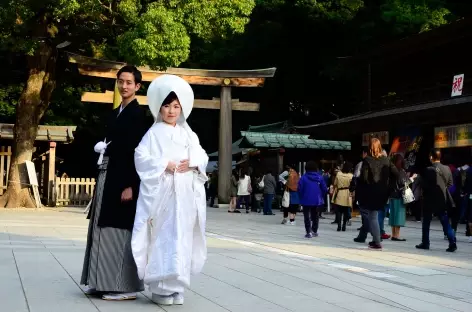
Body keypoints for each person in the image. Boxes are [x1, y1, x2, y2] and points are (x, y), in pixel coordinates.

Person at [131, 75, 208, 306]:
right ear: (159, 108)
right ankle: (161, 286)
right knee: (163, 234)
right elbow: (140, 156)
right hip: (163, 190)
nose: (172, 111)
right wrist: (165, 163)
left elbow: (202, 155)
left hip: (184, 192)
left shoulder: (188, 133)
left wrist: (193, 162)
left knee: (182, 234)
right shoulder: (153, 133)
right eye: (167, 106)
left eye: (176, 106)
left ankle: (178, 284)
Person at [81, 65, 148, 300]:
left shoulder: (138, 115)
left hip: (124, 177)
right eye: (121, 81)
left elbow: (137, 152)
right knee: (100, 225)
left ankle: (124, 285)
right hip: (108, 174)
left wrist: (131, 184)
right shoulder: (116, 112)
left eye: (129, 82)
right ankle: (100, 281)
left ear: (138, 86)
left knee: (118, 229)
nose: (124, 86)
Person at [354, 138, 399, 250]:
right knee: (375, 215)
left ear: (370, 147)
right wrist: (390, 186)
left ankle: (377, 242)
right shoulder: (386, 160)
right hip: (383, 192)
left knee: (372, 216)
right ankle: (375, 240)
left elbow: (363, 178)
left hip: (370, 191)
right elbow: (396, 173)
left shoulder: (367, 160)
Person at [416, 149, 457, 252]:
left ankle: (426, 242)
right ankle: (452, 242)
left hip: (429, 199)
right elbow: (450, 184)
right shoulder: (447, 168)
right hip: (441, 199)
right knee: (445, 221)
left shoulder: (428, 170)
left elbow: (424, 185)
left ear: (431, 157)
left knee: (426, 222)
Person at [298, 161, 328, 238]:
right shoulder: (320, 177)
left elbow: (300, 189)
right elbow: (324, 189)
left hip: (306, 200)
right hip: (317, 200)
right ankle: (314, 231)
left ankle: (308, 232)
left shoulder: (303, 178)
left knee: (307, 216)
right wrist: (321, 196)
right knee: (316, 216)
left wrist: (301, 198)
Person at [388, 154, 409, 241]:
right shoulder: (401, 171)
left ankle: (393, 234)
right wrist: (412, 178)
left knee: (392, 215)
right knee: (398, 214)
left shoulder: (391, 171)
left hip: (391, 195)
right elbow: (404, 183)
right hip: (399, 195)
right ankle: (396, 235)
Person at [332, 162, 354, 232]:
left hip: (339, 193)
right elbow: (353, 185)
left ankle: (339, 226)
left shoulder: (338, 174)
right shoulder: (351, 176)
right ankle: (344, 226)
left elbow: (335, 183)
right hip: (347, 193)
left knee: (338, 211)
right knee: (345, 211)